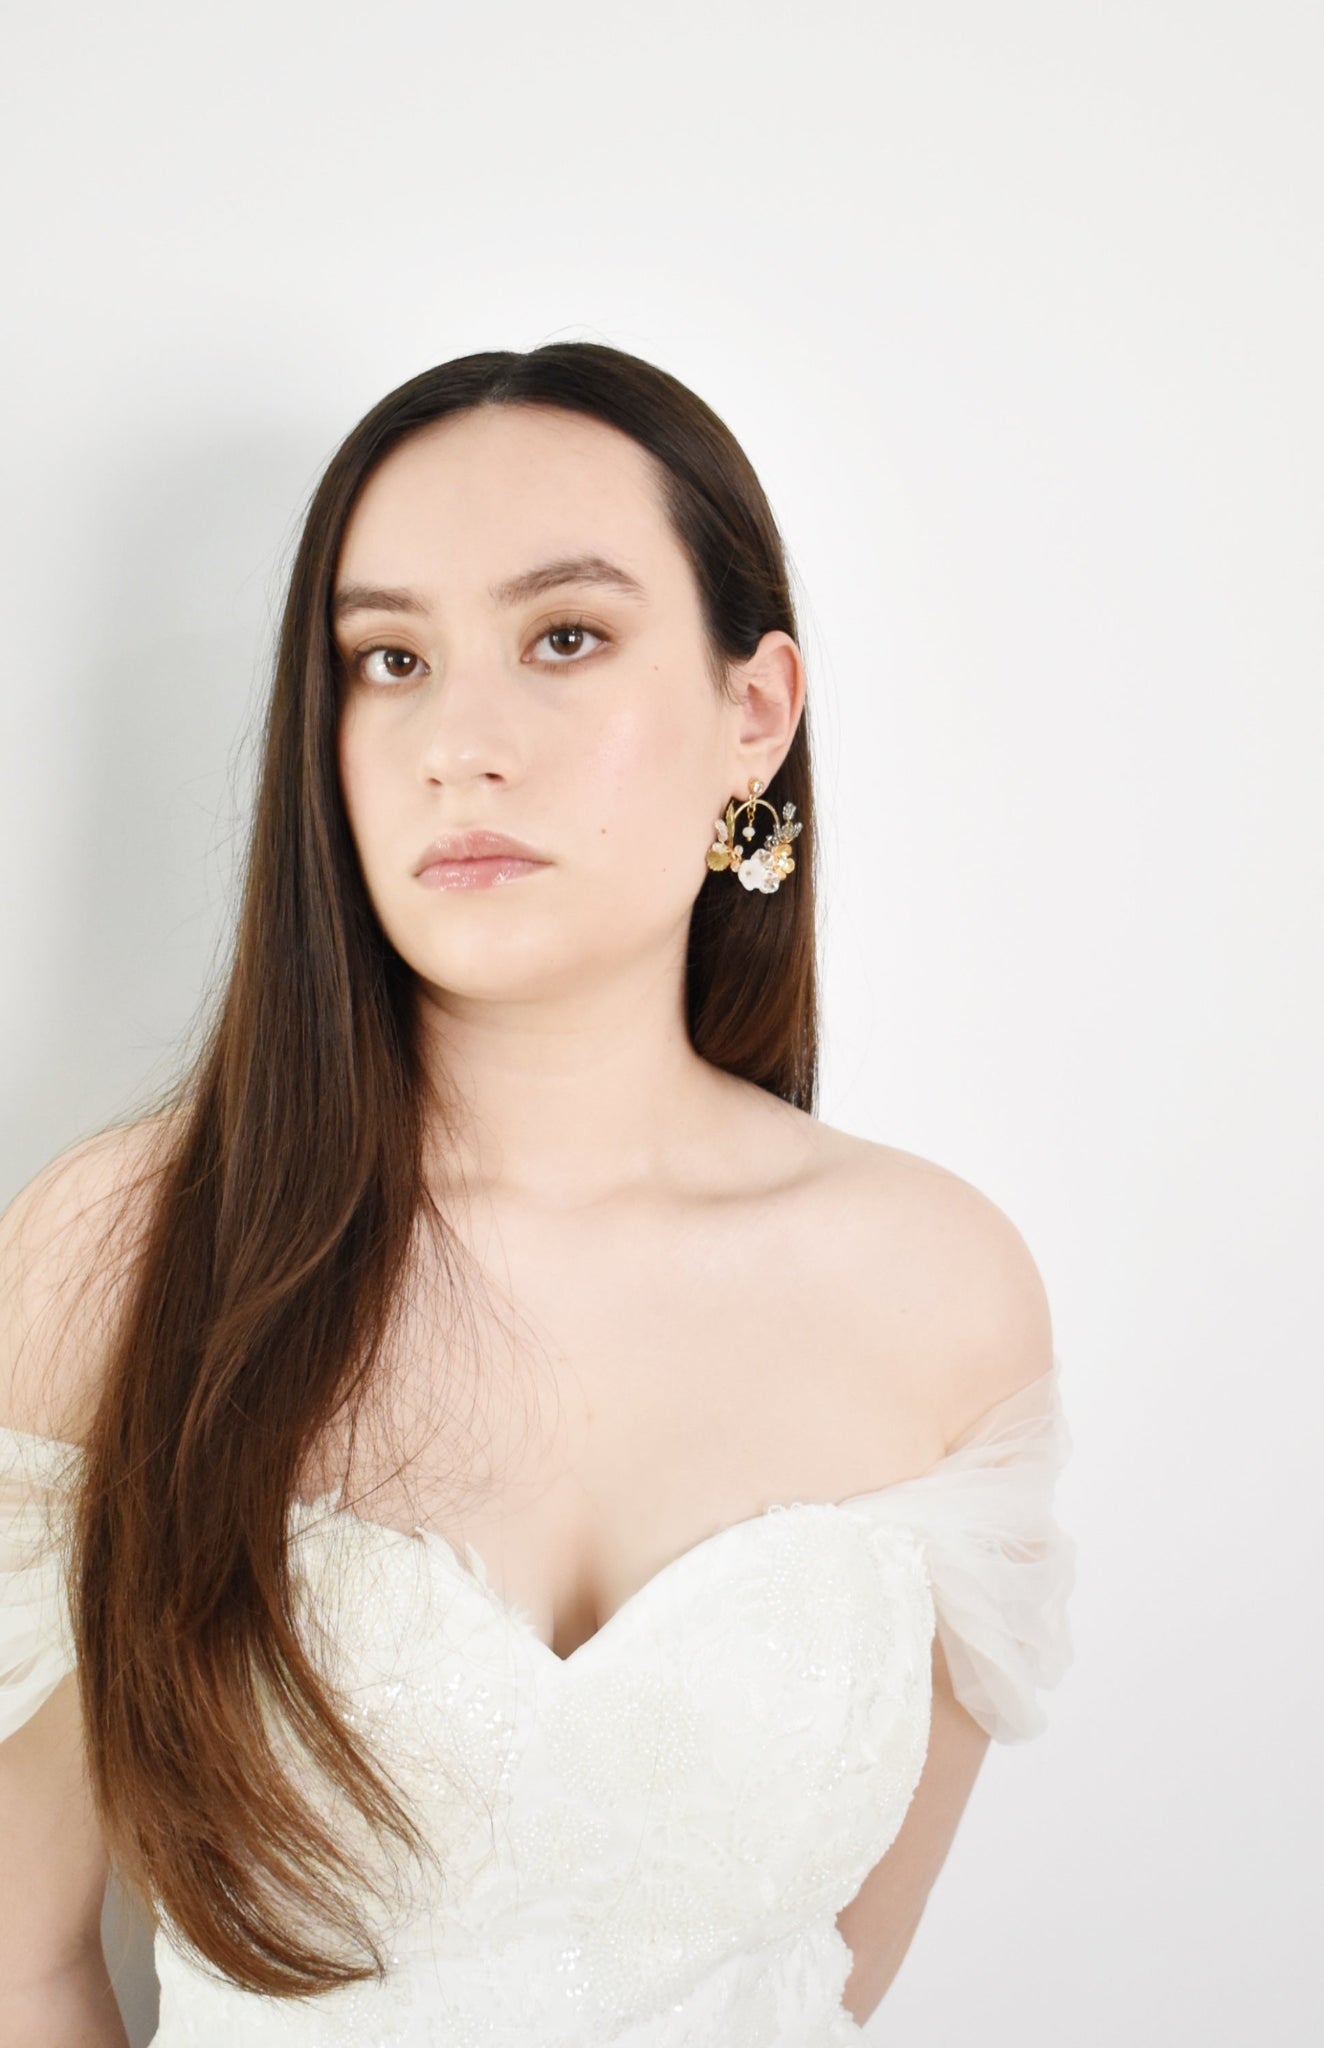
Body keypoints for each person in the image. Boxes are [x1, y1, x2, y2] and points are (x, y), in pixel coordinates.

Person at [0, 342, 1076, 2047]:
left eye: (563, 638)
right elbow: (19, 1958)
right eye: (389, 659)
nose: (459, 744)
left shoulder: (943, 1294)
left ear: (755, 713)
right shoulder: (125, 1255)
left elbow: (830, 1988)